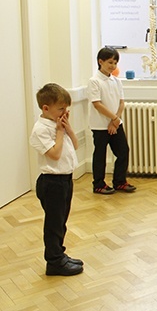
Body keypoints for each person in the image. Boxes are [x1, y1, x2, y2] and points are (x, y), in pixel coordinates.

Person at [29, 83, 84, 276]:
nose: (65, 112)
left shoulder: (57, 124)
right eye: (61, 108)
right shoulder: (41, 130)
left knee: (61, 221)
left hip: (65, 180)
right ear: (46, 108)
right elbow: (54, 154)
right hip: (51, 183)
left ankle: (59, 254)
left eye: (66, 108)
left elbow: (75, 145)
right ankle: (53, 262)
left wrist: (67, 129)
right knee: (53, 224)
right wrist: (59, 132)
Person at [88, 47, 136, 194]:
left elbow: (121, 102)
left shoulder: (116, 81)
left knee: (123, 151)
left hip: (115, 124)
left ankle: (119, 181)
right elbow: (97, 104)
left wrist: (116, 120)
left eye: (115, 62)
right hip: (100, 126)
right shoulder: (94, 81)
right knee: (100, 155)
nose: (113, 65)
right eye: (110, 62)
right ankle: (98, 184)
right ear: (100, 61)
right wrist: (114, 118)